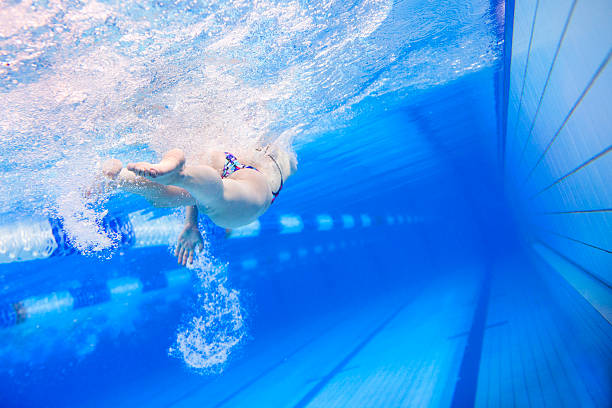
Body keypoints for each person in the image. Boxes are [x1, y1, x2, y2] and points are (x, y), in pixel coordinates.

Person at [101, 145, 297, 265]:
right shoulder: (285, 158)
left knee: (172, 196)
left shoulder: (228, 138)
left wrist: (190, 223)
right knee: (207, 196)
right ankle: (172, 175)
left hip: (222, 161)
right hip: (248, 183)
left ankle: (120, 178)